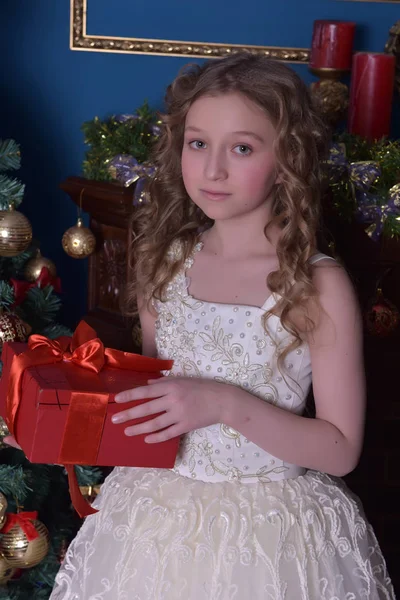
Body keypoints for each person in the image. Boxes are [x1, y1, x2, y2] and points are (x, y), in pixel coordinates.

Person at [49, 54, 395, 599]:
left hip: (270, 536)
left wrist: (223, 403)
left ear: (287, 158)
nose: (213, 170)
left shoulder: (314, 284)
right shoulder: (166, 263)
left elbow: (340, 447)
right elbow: (156, 401)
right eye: (197, 143)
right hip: (153, 518)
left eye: (242, 147)